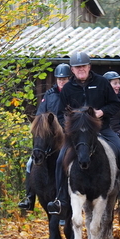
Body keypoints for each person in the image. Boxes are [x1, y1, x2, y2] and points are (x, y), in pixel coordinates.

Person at [47, 51, 120, 217]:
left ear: (89, 67)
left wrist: (101, 112)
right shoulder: (68, 88)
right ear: (72, 70)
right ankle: (60, 198)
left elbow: (115, 104)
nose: (81, 69)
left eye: (83, 66)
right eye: (77, 67)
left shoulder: (102, 83)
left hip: (102, 129)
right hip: (77, 135)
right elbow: (61, 115)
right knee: (61, 159)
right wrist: (70, 127)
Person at [18, 63, 71, 210]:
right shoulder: (49, 95)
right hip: (51, 137)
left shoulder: (74, 93)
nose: (61, 81)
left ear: (69, 79)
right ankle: (29, 197)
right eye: (59, 79)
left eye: (64, 79)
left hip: (67, 135)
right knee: (30, 163)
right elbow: (41, 115)